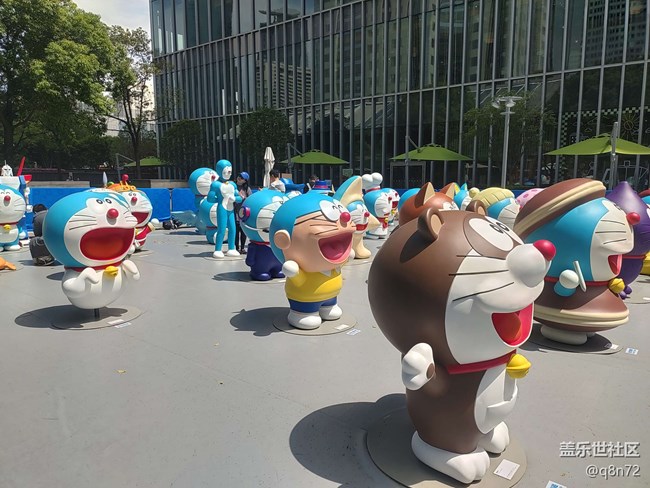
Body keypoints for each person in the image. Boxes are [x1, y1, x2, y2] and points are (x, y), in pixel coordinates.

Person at [235, 172, 253, 254]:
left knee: (243, 231)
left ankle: (242, 247)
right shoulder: (233, 186)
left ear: (245, 181)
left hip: (243, 212)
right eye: (239, 176)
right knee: (235, 230)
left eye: (242, 178)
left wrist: (244, 198)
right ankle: (236, 247)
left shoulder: (247, 189)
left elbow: (250, 199)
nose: (239, 178)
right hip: (234, 211)